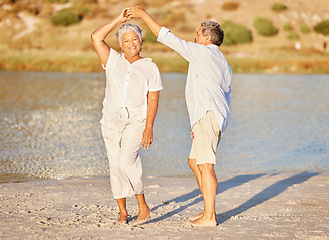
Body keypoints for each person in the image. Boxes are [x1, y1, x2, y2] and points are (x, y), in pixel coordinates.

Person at [126, 7, 232, 227]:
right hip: (210, 117)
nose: (195, 36)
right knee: (194, 162)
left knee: (205, 165)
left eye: (198, 33)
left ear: (207, 38)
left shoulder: (203, 53)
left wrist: (143, 15)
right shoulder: (222, 60)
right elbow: (224, 94)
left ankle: (210, 216)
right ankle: (207, 211)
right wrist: (200, 121)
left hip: (208, 116)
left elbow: (168, 38)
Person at [91, 9, 163, 225]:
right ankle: (123, 212)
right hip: (111, 120)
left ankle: (142, 205)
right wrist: (119, 20)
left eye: (135, 39)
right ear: (120, 45)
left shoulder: (150, 67)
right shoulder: (112, 59)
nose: (132, 43)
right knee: (115, 165)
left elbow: (152, 100)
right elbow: (96, 37)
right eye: (126, 40)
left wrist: (149, 127)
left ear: (141, 41)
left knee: (126, 161)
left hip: (136, 121)